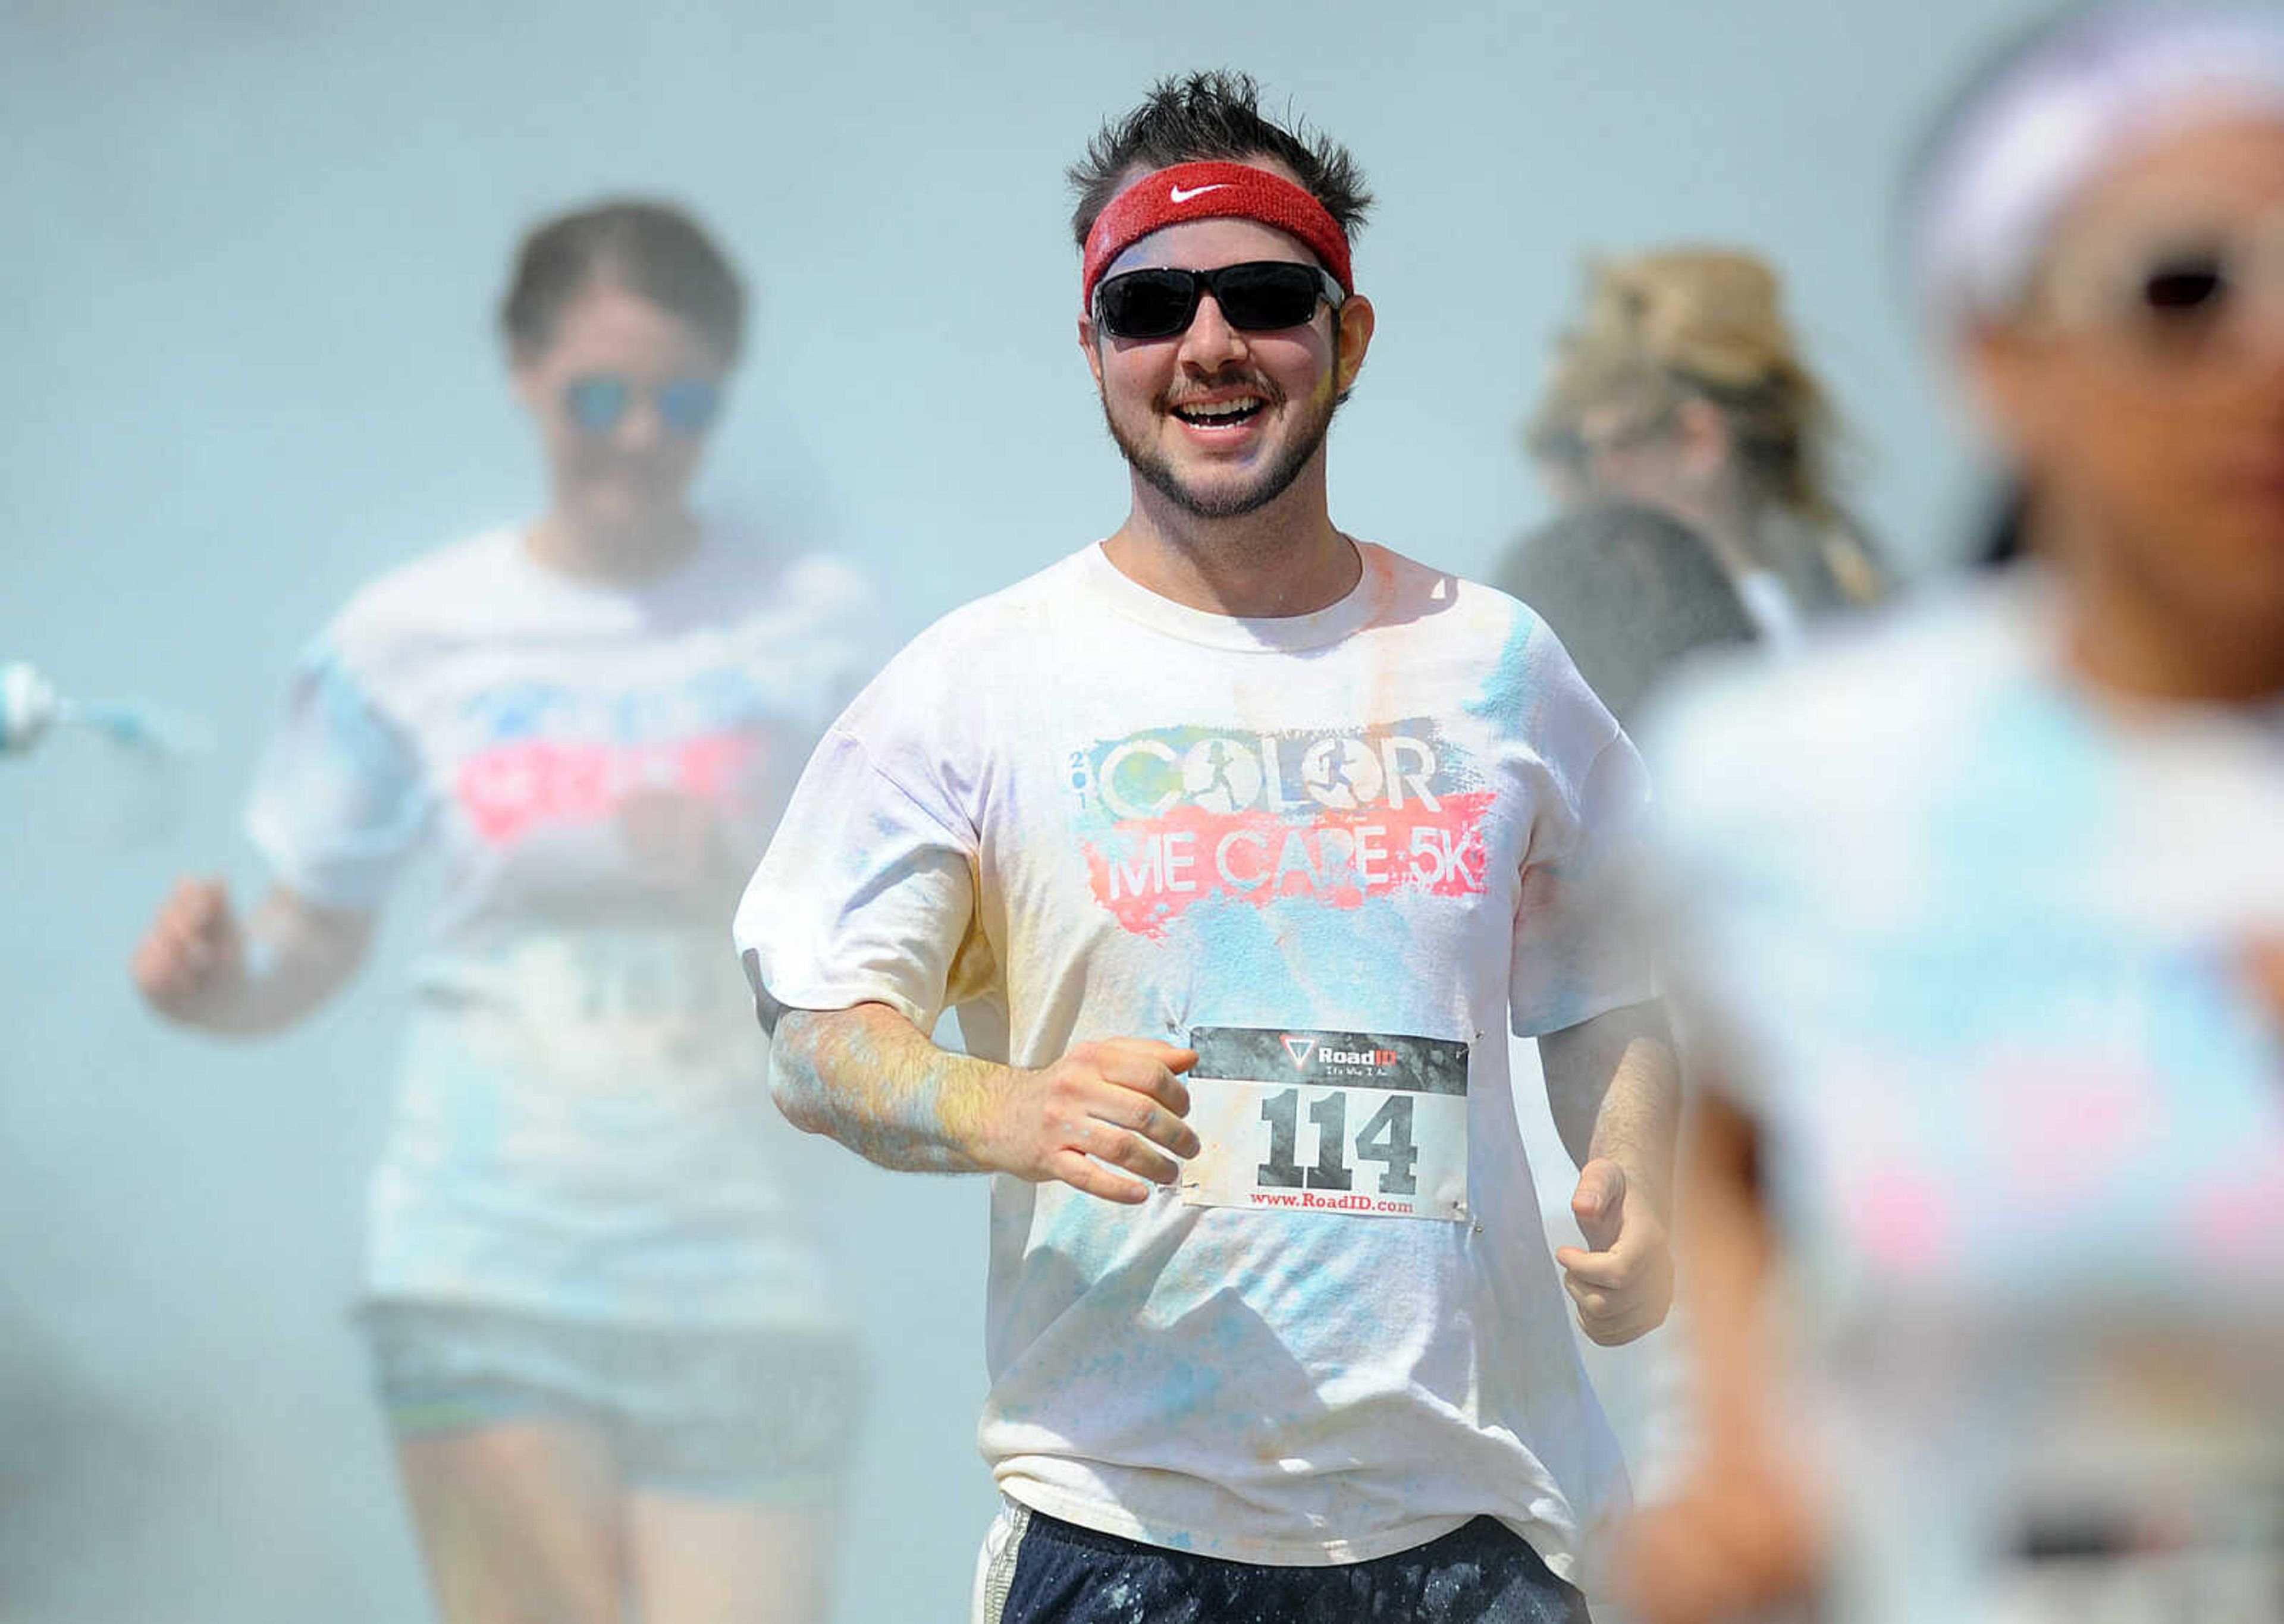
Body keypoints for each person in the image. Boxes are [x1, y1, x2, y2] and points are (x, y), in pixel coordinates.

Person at [735, 70, 1679, 1624]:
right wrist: (1007, 1105)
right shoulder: (979, 681)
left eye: (1266, 297)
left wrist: (1632, 1169)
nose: (1211, 344)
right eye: (1152, 304)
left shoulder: (1502, 665)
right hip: (1130, 1532)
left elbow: (1604, 994)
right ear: (1095, 347)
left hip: (1478, 1532)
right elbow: (813, 1040)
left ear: (1348, 337)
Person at [1624, 10, 2284, 1623]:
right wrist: (1733, 1466)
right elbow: (1725, 1133)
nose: (2274, 348)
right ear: (2002, 354)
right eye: (2187, 288)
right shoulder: (1790, 779)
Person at [130, 199, 870, 1624]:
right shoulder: (406, 637)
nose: (641, 435)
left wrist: (730, 872)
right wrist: (215, 986)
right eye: (600, 394)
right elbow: (311, 935)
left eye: (683, 400)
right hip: (485, 1256)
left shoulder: (817, 621)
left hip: (750, 1259)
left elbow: (903, 935)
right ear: (524, 376)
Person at [1525, 247, 1890, 646]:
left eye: (1607, 445)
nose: (1595, 472)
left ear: (1698, 440)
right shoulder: (1853, 587)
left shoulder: (1699, 655)